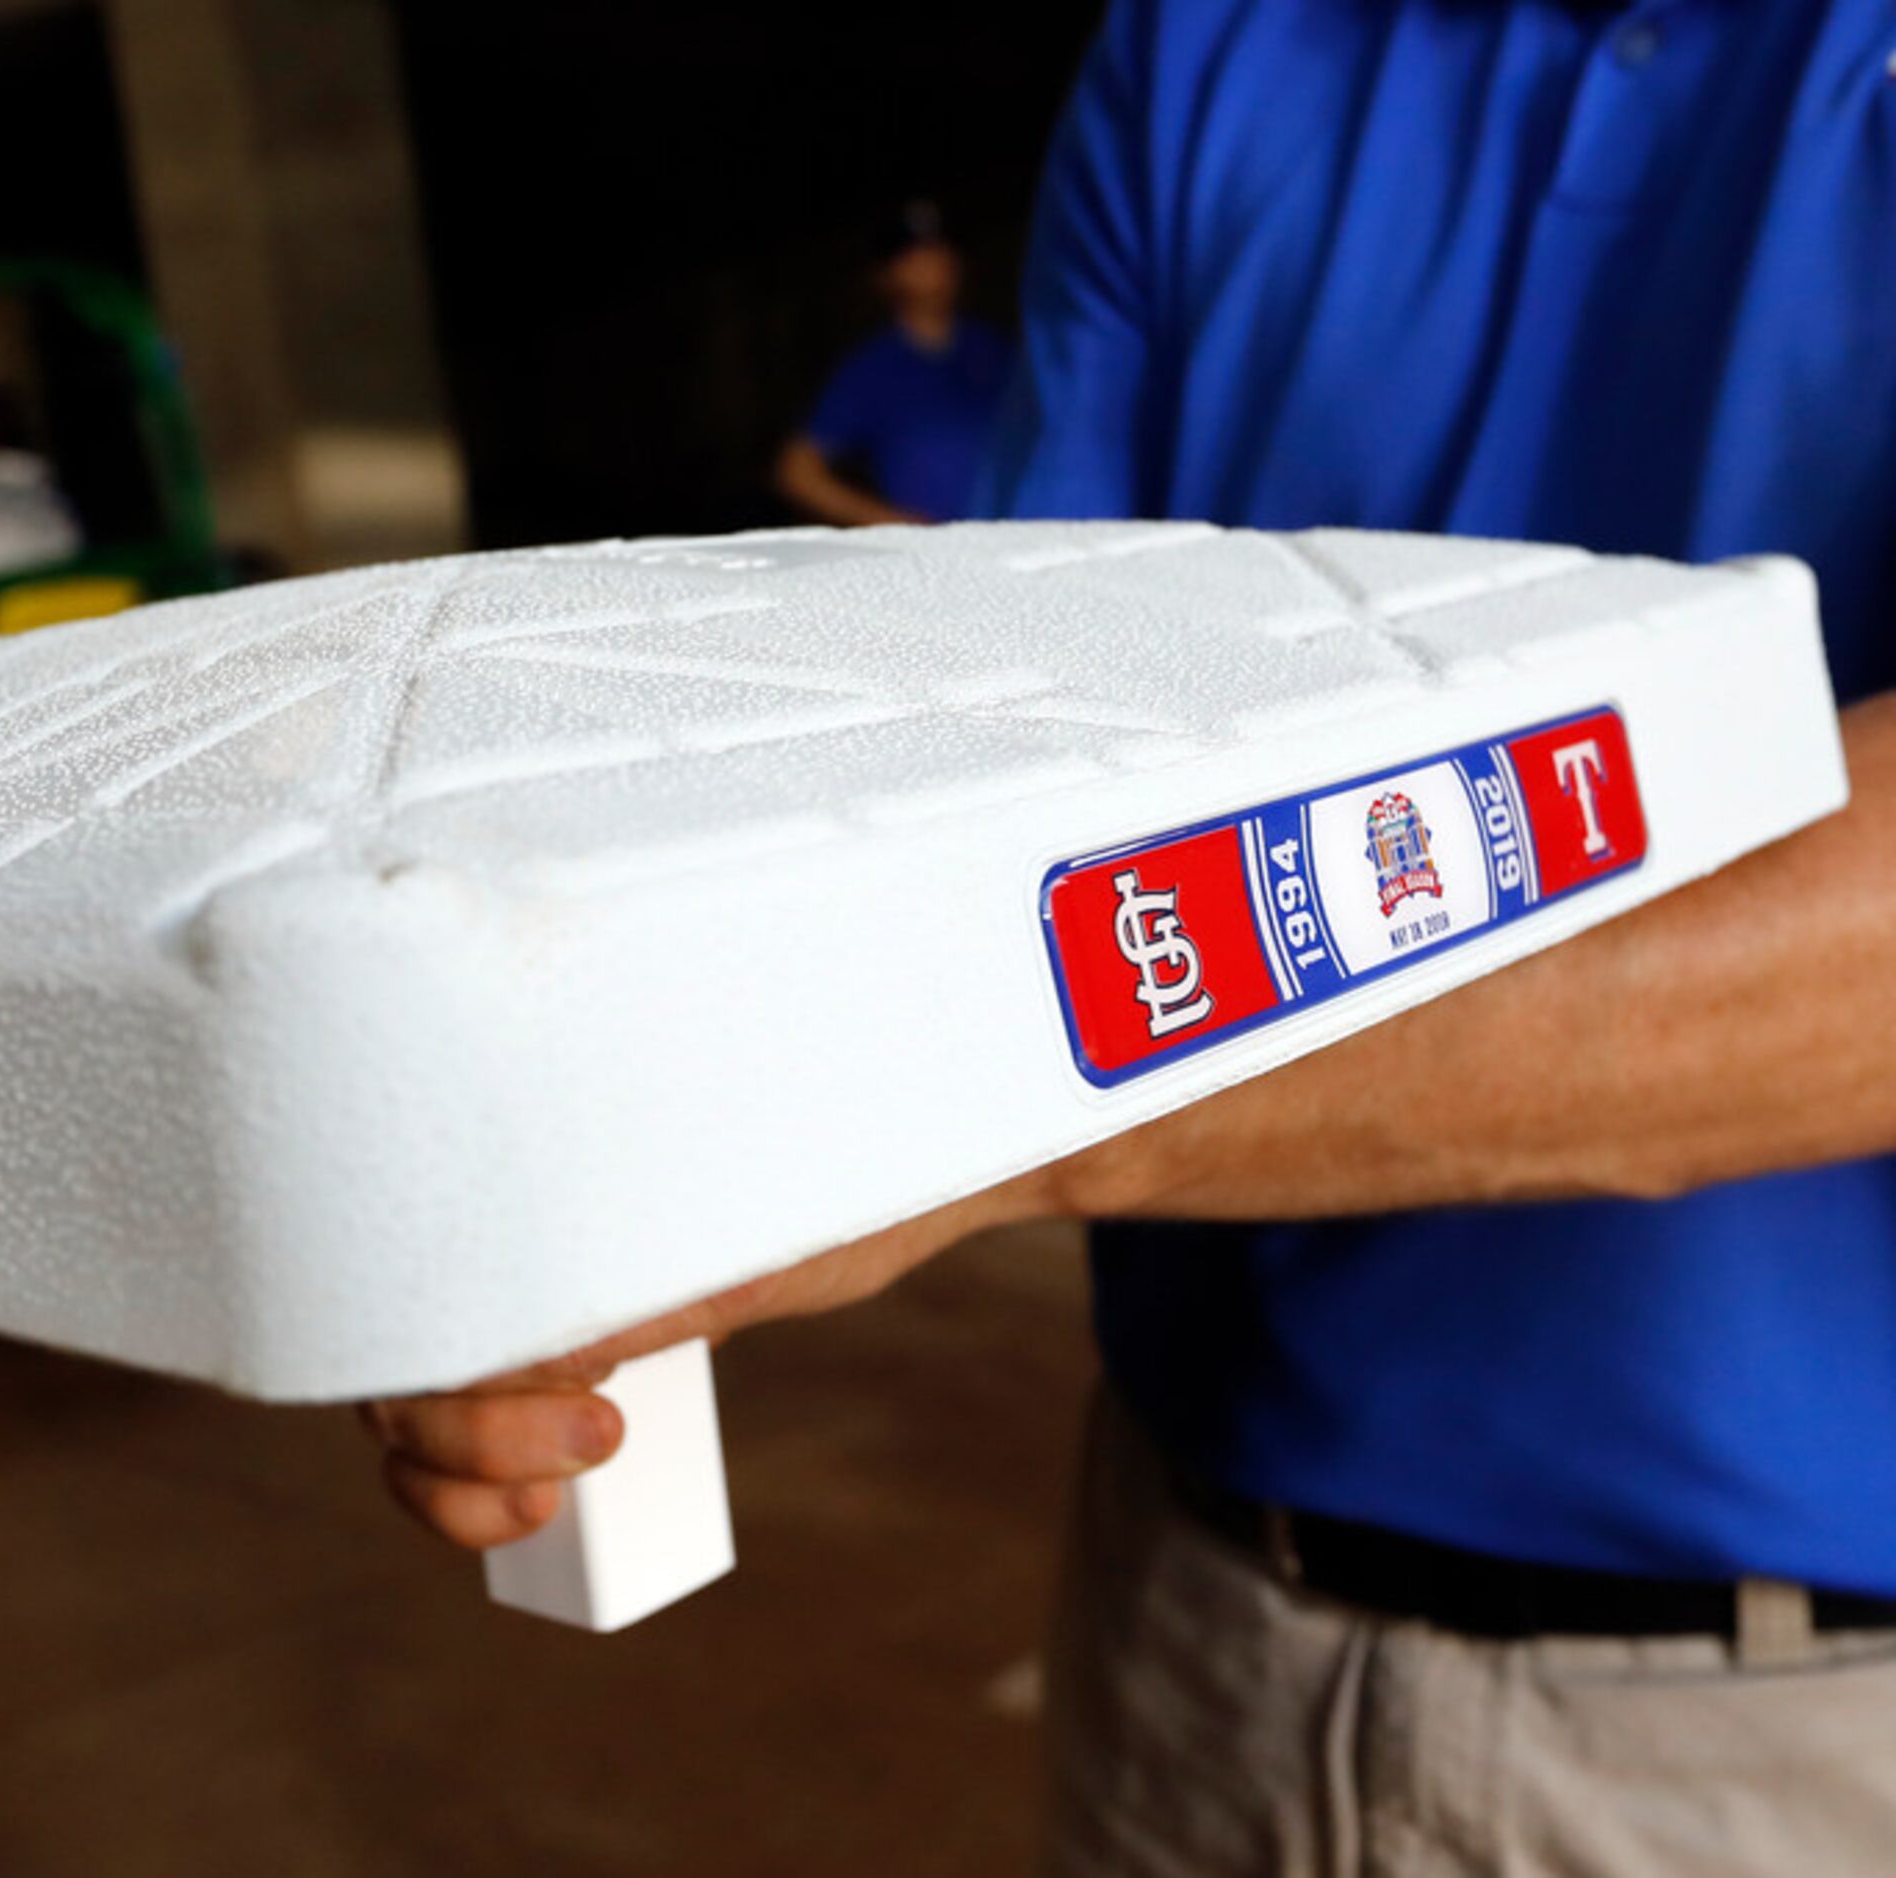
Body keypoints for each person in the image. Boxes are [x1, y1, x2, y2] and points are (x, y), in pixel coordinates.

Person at [363, 2, 1896, 1869]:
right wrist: (596, 1036)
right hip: (1191, 1614)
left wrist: (951, 1113)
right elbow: (1018, 712)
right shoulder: (1207, 47)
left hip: (1801, 1719)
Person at [774, 201, 1012, 526]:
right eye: (913, 254)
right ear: (885, 273)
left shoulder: (999, 351)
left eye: (942, 250)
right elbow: (797, 472)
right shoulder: (871, 369)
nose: (932, 262)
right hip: (934, 556)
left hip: (1017, 537)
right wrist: (893, 525)